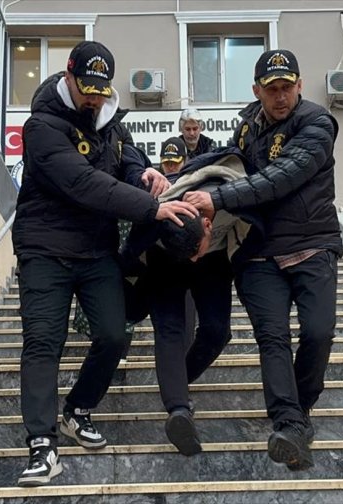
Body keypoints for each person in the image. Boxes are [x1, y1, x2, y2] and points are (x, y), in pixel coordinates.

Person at [12, 40, 196, 487]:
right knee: (43, 342)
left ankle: (77, 409)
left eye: (100, 89)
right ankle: (42, 445)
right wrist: (149, 208)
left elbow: (125, 160)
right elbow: (82, 182)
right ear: (68, 77)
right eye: (86, 88)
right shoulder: (40, 126)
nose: (93, 98)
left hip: (96, 249)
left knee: (114, 334)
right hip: (45, 248)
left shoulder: (111, 120)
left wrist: (146, 174)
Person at [184, 49, 342, 471]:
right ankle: (287, 421)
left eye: (286, 87)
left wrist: (215, 199)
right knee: (271, 338)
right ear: (257, 90)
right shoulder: (247, 128)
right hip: (258, 254)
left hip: (313, 245)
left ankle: (299, 414)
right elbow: (220, 163)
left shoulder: (317, 124)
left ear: (300, 85)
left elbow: (282, 175)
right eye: (271, 89)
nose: (279, 97)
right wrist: (177, 178)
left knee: (318, 332)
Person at [122, 152, 257, 456]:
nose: (193, 260)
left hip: (216, 257)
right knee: (169, 328)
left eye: (195, 252)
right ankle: (178, 410)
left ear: (209, 224)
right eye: (191, 256)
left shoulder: (235, 199)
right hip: (165, 256)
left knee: (217, 331)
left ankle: (176, 382)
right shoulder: (157, 221)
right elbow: (131, 248)